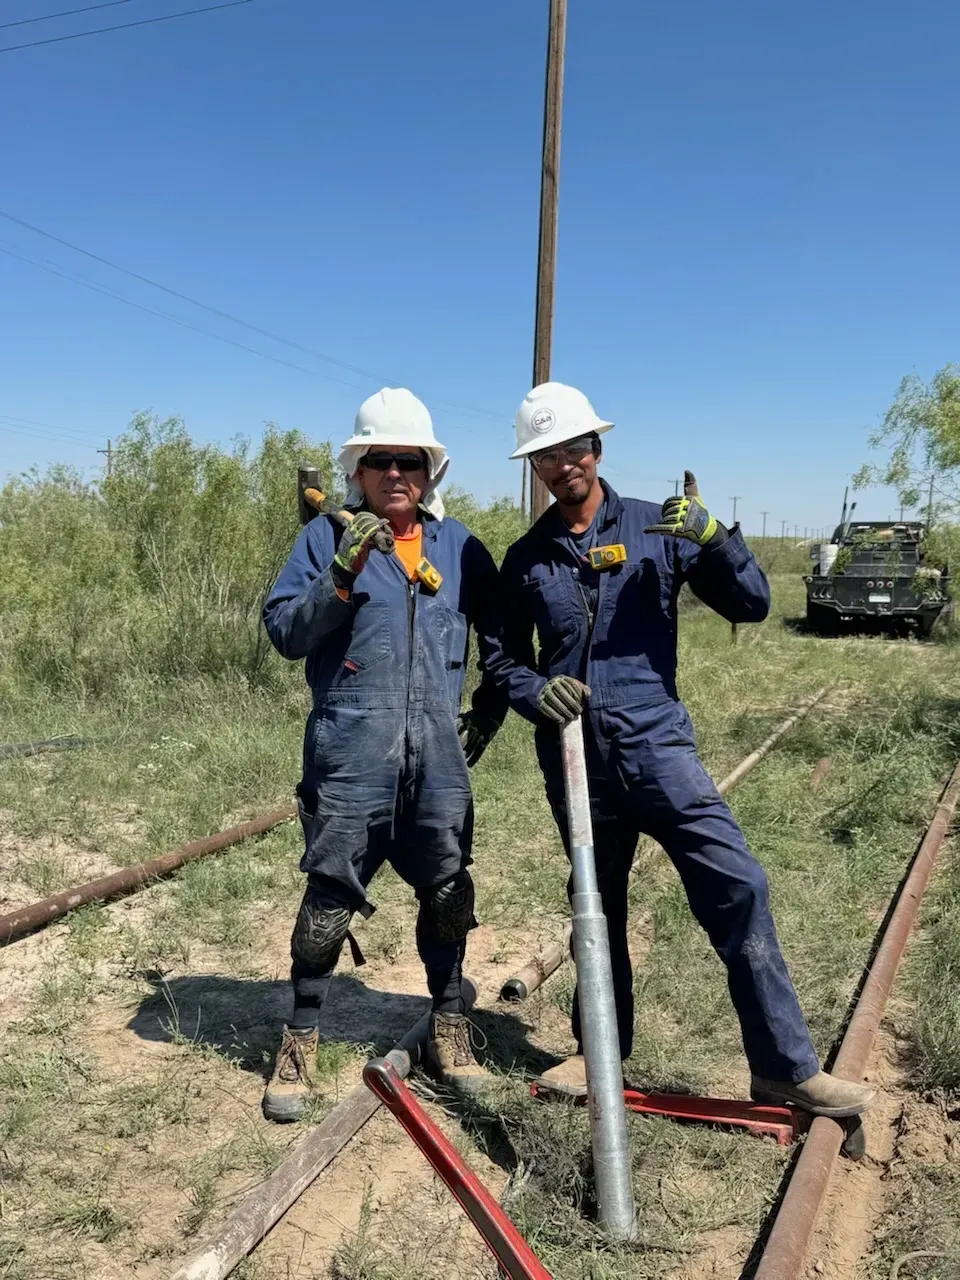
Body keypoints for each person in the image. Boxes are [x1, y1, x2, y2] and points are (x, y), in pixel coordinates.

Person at [487, 381, 875, 1118]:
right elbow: (502, 657)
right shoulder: (528, 558)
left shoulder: (660, 527)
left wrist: (715, 539)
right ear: (535, 467)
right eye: (546, 455)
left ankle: (785, 1068)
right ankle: (599, 1052)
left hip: (657, 745)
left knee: (739, 885)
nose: (563, 465)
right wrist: (534, 690)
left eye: (573, 448)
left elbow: (752, 604)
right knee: (595, 908)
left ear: (597, 449)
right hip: (575, 757)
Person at [260, 387, 504, 1121]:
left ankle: (450, 1027)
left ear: (430, 471)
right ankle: (300, 1039)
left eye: (410, 461)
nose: (396, 473)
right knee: (328, 901)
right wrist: (340, 575)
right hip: (352, 752)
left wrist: (490, 706)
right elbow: (285, 632)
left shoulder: (459, 547)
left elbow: (502, 634)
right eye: (380, 461)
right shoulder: (323, 540)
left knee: (449, 893)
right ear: (358, 472)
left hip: (437, 757)